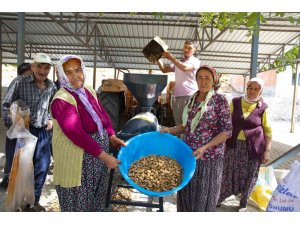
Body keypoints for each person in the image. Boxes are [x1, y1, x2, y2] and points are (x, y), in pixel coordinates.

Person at [50, 55, 125, 212]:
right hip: (78, 161)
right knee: (79, 202)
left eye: (78, 70)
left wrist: (111, 135)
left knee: (95, 197)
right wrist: (105, 157)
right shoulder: (62, 99)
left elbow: (102, 114)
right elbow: (75, 133)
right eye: (68, 73)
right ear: (61, 76)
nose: (75, 76)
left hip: (95, 158)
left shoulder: (88, 90)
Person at [161, 65, 232, 212]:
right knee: (186, 195)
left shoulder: (220, 100)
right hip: (188, 155)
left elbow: (226, 131)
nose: (203, 81)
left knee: (202, 199)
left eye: (207, 78)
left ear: (214, 81)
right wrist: (171, 130)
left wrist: (205, 147)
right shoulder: (192, 99)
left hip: (208, 159)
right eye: (200, 78)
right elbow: (187, 125)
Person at [2, 53, 57, 211]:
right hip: (24, 132)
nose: (42, 70)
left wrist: (51, 119)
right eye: (39, 66)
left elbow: (52, 107)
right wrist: (11, 122)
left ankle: (33, 202)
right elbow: (6, 104)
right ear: (33, 67)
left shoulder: (51, 86)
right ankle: (16, 202)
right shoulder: (20, 82)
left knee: (42, 166)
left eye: (46, 67)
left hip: (42, 133)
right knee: (21, 169)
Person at [218, 77, 272, 210]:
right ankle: (219, 197)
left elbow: (268, 131)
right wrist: (222, 142)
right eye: (250, 88)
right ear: (246, 88)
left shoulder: (263, 107)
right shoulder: (235, 102)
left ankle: (243, 203)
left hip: (254, 148)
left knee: (250, 174)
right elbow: (226, 123)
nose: (252, 91)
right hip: (233, 145)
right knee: (227, 172)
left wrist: (267, 150)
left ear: (261, 91)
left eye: (256, 89)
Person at [0, 62, 32, 190]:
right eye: (30, 71)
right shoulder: (19, 81)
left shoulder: (24, 82)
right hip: (17, 122)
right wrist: (8, 119)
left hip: (21, 122)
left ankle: (11, 179)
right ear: (26, 71)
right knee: (13, 150)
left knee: (15, 151)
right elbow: (7, 102)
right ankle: (8, 179)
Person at [157, 39, 200, 126]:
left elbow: (185, 68)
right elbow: (164, 69)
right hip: (177, 97)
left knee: (187, 124)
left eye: (190, 48)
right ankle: (180, 140)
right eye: (185, 47)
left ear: (194, 50)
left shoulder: (195, 61)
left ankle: (185, 140)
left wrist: (170, 57)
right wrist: (157, 58)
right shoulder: (179, 62)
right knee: (178, 124)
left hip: (189, 96)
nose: (186, 49)